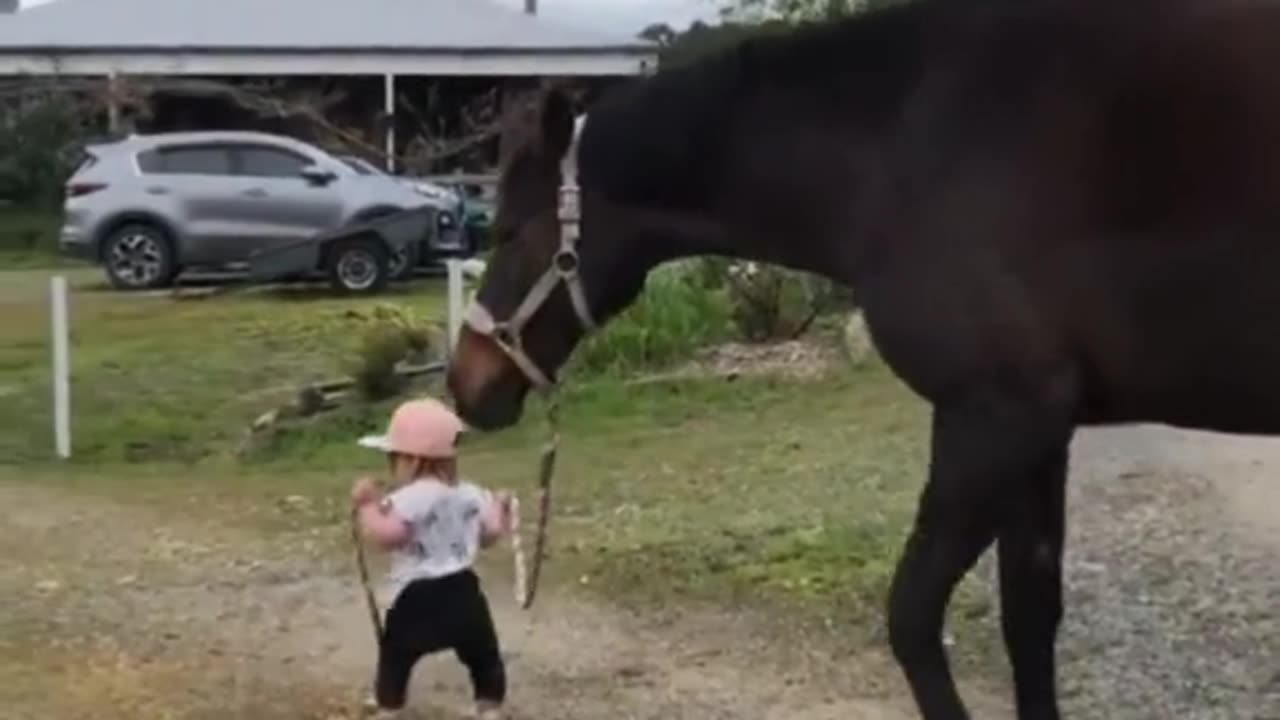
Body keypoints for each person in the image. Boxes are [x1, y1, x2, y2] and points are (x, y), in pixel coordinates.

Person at [350, 396, 514, 720]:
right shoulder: (469, 493)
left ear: (410, 460)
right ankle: (490, 706)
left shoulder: (409, 498)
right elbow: (490, 534)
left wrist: (367, 506)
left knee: (396, 654)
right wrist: (500, 507)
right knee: (484, 655)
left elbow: (390, 537)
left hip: (417, 596)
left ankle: (390, 706)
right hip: (465, 591)